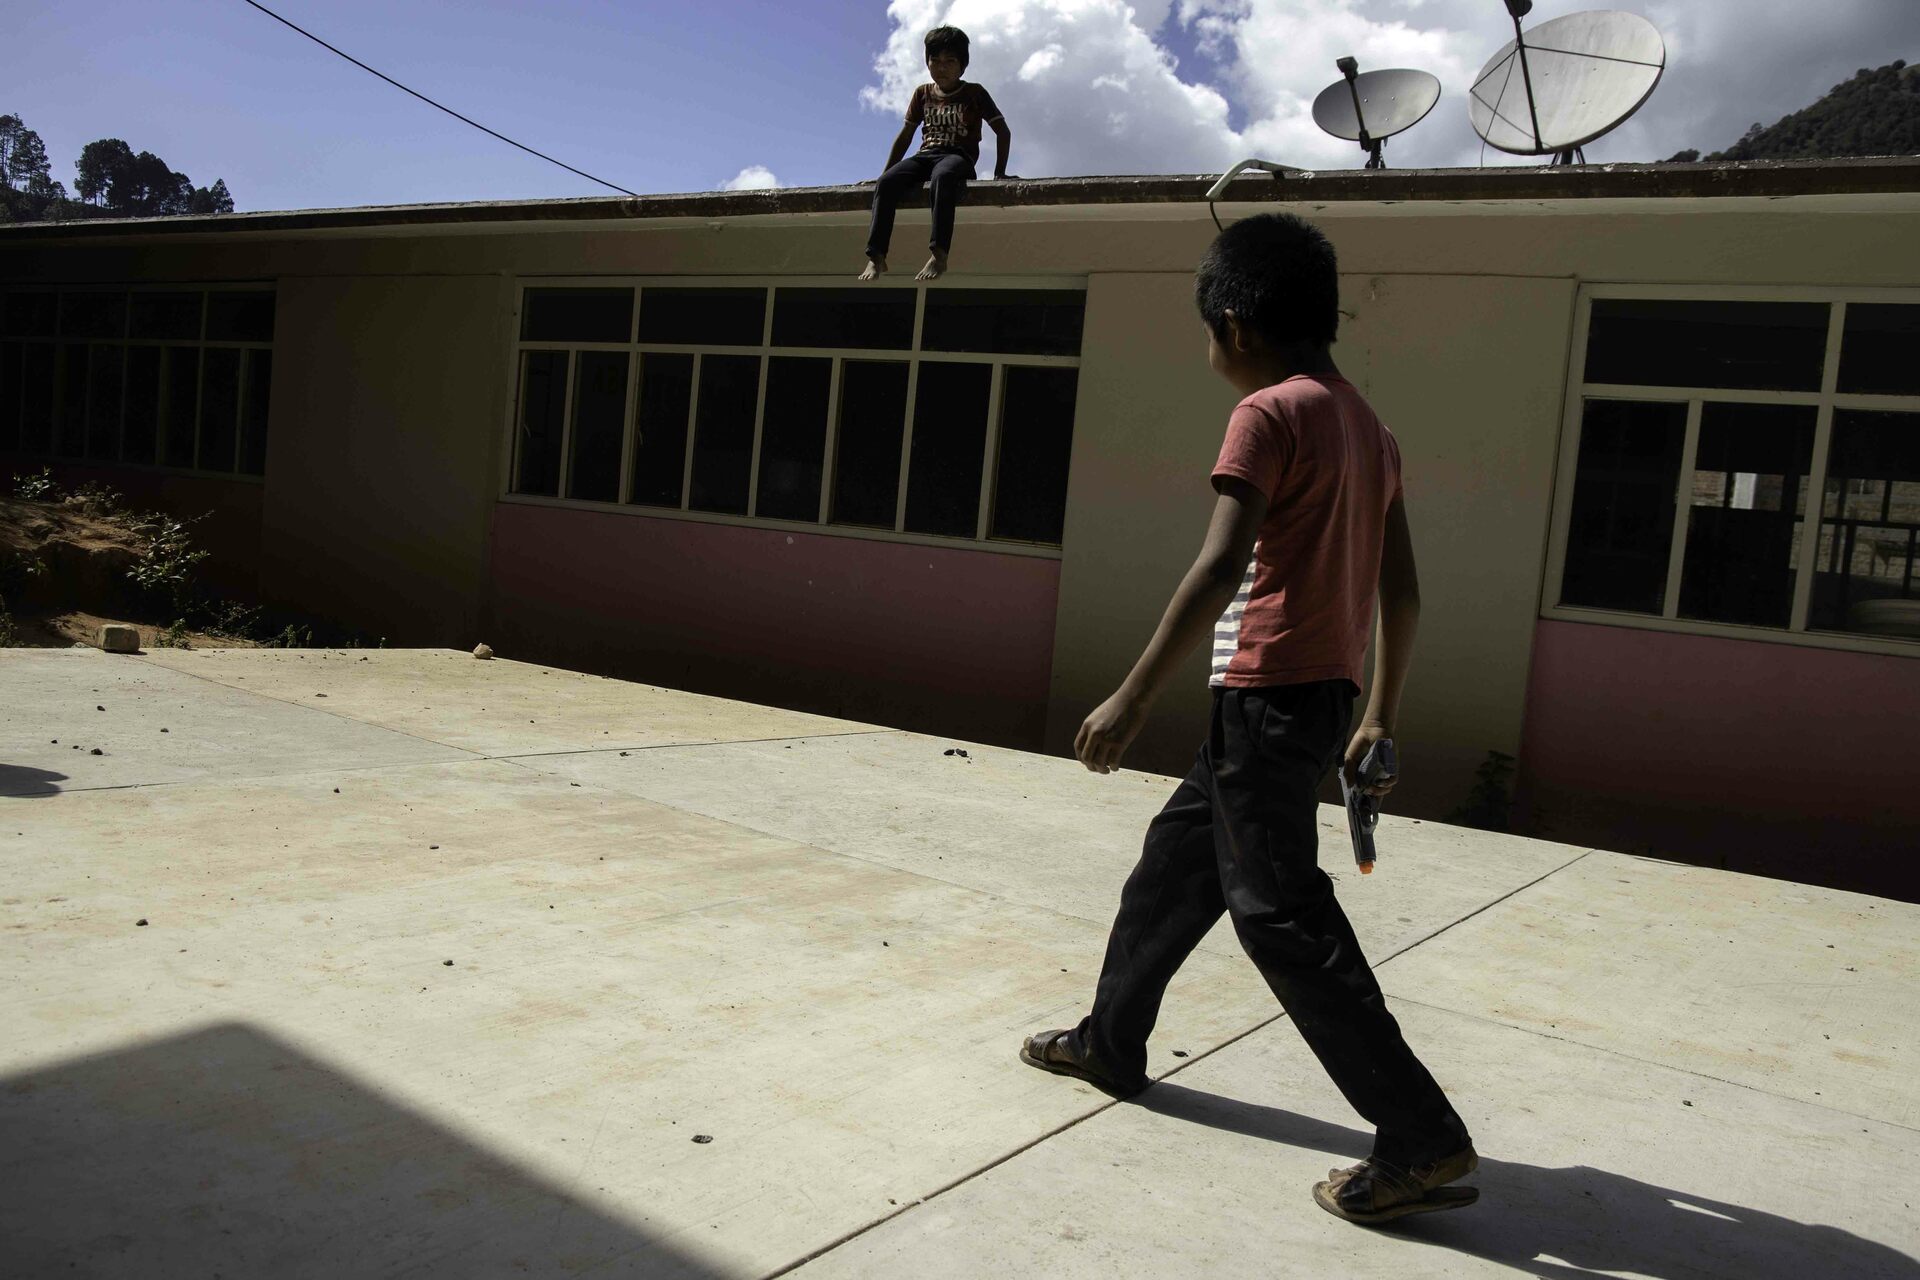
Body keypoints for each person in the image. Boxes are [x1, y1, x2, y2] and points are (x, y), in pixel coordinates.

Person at [1019, 213, 1478, 1225]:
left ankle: (1420, 1134)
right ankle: (1109, 1041)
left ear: (1233, 323)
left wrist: (1132, 694)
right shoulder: (1371, 429)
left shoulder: (1268, 413)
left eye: (1206, 331)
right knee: (1172, 868)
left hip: (1267, 696)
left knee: (1279, 912)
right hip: (1316, 698)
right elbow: (1402, 589)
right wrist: (1380, 712)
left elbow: (1222, 564)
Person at [859, 26, 1010, 282]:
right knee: (886, 183)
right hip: (926, 156)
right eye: (935, 61)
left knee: (942, 176)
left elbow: (1003, 131)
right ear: (927, 63)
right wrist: (884, 173)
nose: (942, 67)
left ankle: (939, 254)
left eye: (950, 61)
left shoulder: (974, 93)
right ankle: (877, 257)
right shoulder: (923, 93)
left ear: (962, 66)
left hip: (958, 157)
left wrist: (1000, 173)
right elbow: (906, 135)